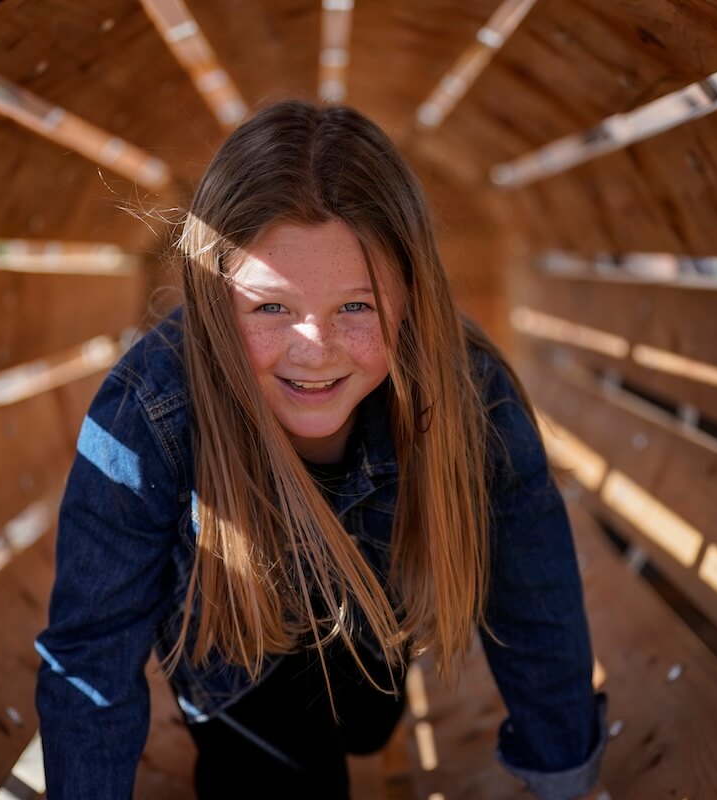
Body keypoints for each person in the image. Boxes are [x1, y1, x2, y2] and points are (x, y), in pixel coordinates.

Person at [33, 99, 609, 799]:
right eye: (271, 307)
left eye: (356, 307)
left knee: (362, 725)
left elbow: (536, 590)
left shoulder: (467, 390)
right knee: (281, 770)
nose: (315, 348)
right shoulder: (151, 406)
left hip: (373, 644)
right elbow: (90, 653)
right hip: (239, 655)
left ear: (409, 299)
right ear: (217, 304)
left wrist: (564, 776)